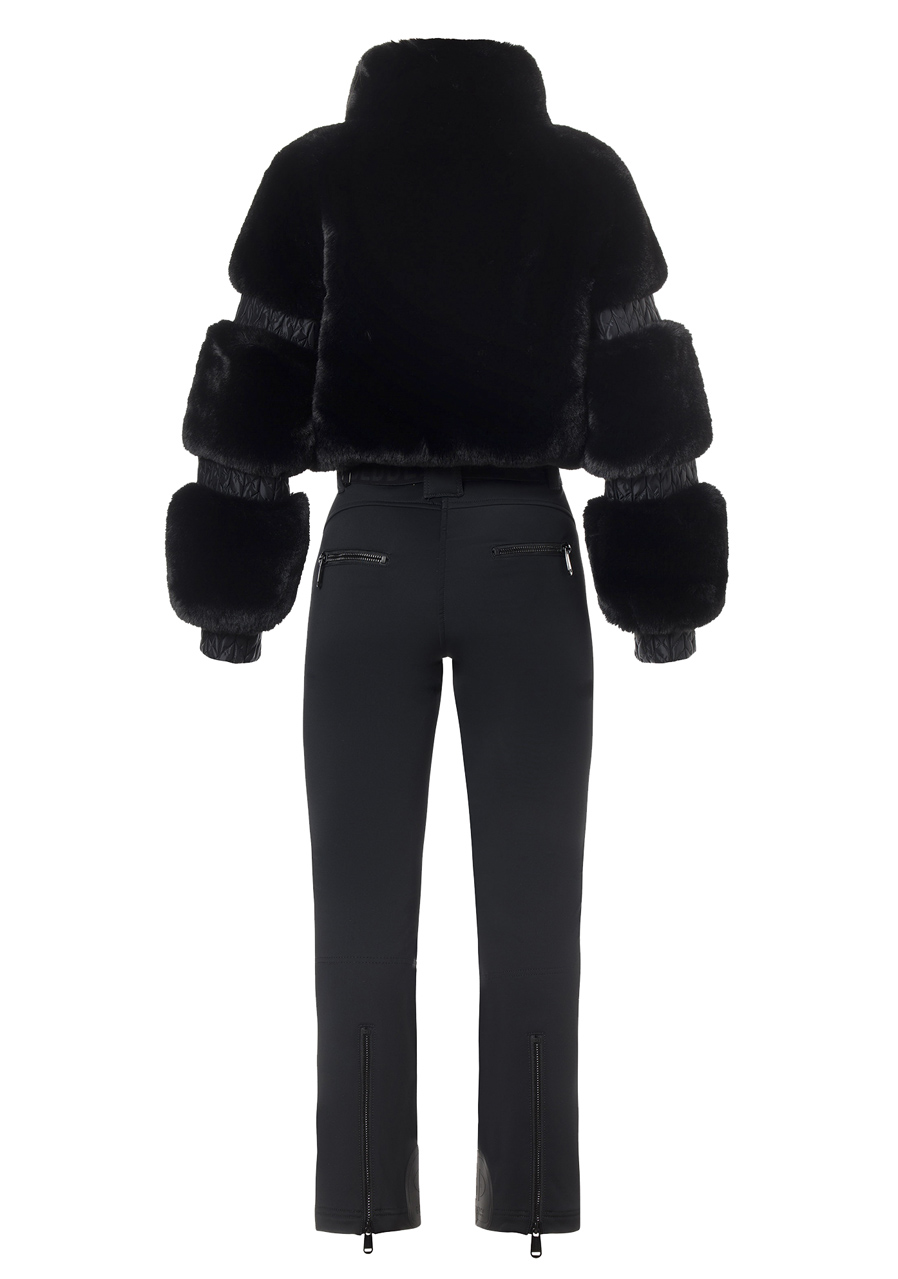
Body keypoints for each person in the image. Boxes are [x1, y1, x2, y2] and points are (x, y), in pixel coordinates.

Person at [165, 37, 728, 1256]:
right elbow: (640, 374)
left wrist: (231, 598)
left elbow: (257, 366)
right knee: (535, 911)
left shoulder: (315, 175)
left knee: (358, 911)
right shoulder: (581, 178)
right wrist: (661, 597)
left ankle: (365, 1206)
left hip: (365, 555)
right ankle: (529, 1210)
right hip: (525, 554)